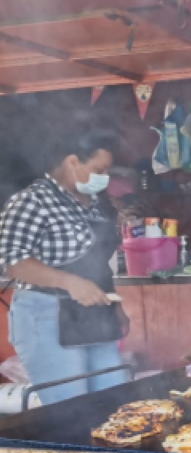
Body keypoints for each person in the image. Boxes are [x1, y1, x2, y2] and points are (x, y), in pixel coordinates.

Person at [0, 129, 130, 404]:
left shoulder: (95, 204)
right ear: (72, 161)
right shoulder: (32, 201)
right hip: (46, 317)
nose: (104, 177)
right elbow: (12, 261)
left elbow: (98, 263)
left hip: (95, 318)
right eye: (99, 169)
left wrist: (115, 307)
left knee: (115, 400)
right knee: (70, 409)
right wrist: (69, 282)